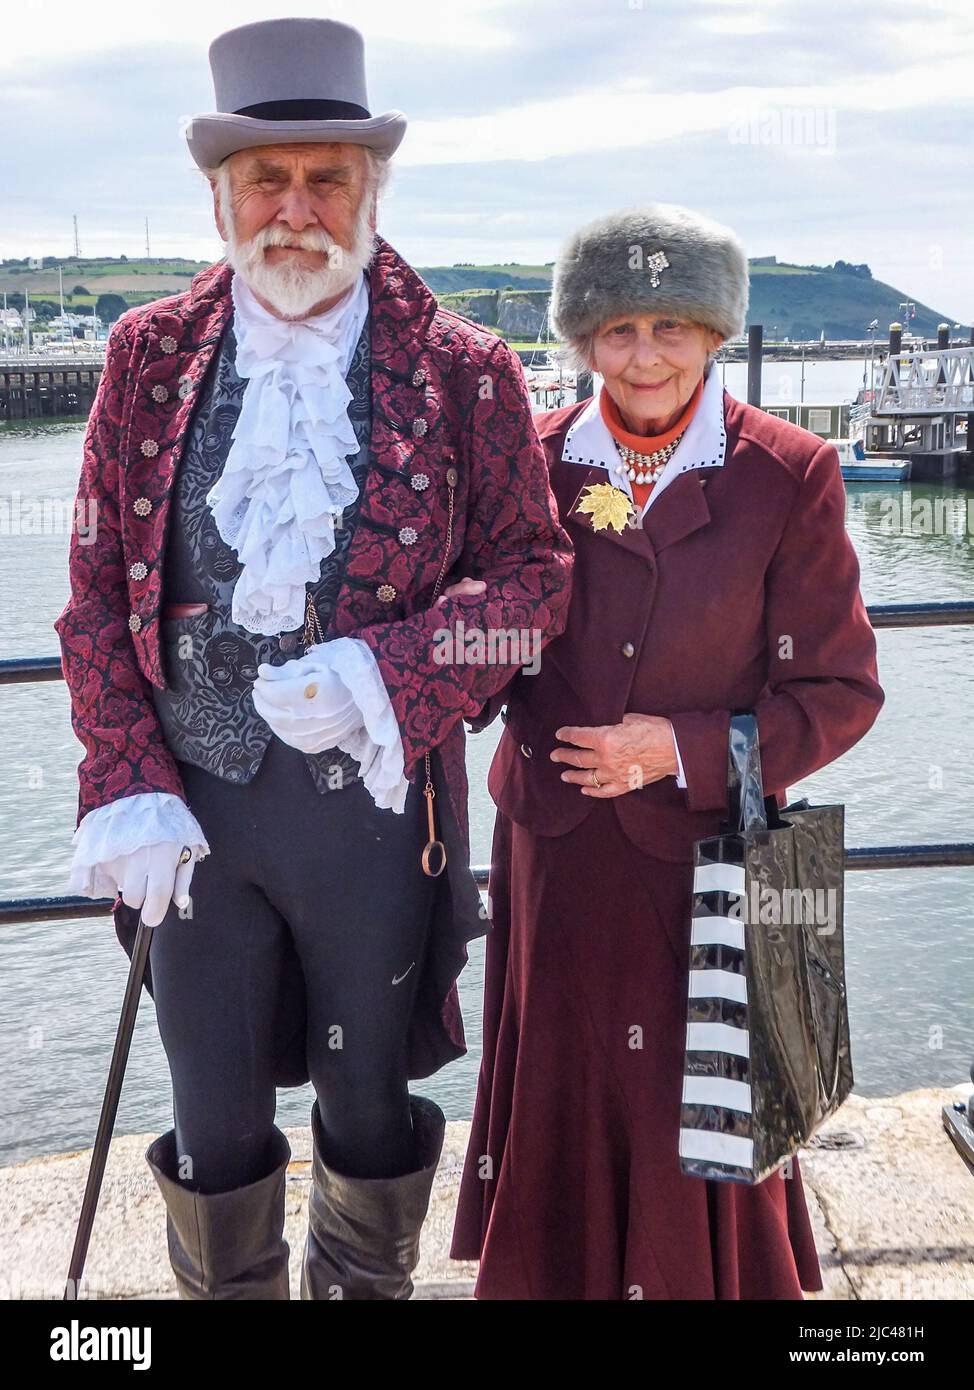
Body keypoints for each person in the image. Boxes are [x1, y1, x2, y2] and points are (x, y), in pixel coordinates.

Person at [54, 16, 571, 1300]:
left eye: (324, 179)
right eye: (264, 182)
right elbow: (91, 595)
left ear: (369, 191)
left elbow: (535, 581)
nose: (294, 210)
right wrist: (123, 776)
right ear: (220, 195)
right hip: (196, 823)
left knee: (364, 1105)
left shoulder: (464, 371)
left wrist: (389, 673)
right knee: (217, 1122)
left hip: (375, 827)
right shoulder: (146, 359)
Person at [450, 202, 884, 1299]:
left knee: (700, 1124)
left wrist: (681, 749)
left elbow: (837, 692)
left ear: (714, 334)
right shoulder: (526, 458)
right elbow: (479, 638)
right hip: (555, 853)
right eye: (616, 329)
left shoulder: (790, 472)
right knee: (564, 1102)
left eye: (672, 327)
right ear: (581, 340)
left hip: (713, 863)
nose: (644, 354)